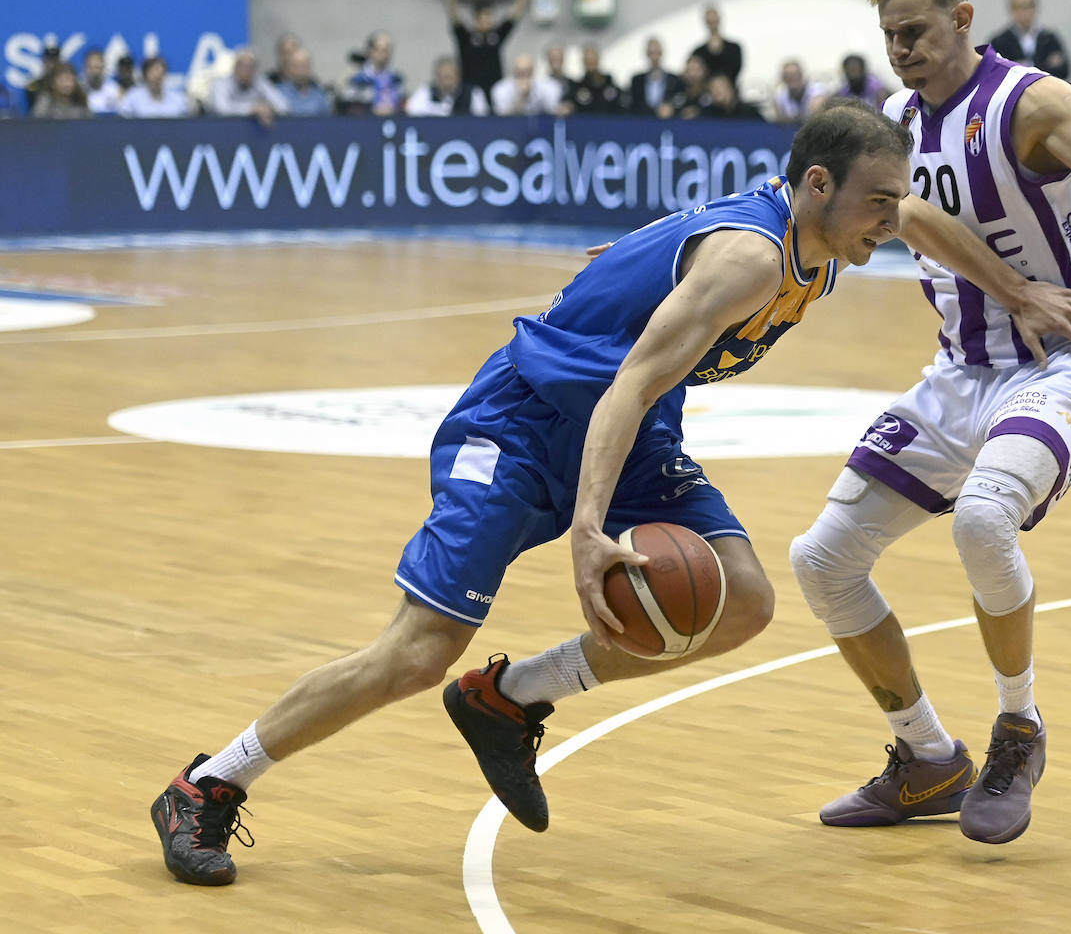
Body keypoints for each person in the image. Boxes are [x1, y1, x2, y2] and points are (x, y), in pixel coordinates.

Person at [149, 101, 919, 885]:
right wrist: (588, 529)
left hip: (634, 434)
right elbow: (630, 382)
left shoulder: (815, 252)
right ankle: (207, 783)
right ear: (817, 183)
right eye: (880, 202)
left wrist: (627, 258)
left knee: (743, 601)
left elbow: (675, 253)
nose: (893, 221)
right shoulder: (752, 259)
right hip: (523, 423)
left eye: (902, 200)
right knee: (416, 654)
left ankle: (508, 698)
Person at [789, 0, 1071, 844]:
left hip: (1066, 358)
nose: (899, 49)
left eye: (912, 31)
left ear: (962, 20)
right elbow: (910, 216)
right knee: (821, 560)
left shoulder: (1030, 105)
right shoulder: (898, 121)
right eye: (887, 37)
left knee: (982, 522)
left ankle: (1019, 728)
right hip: (960, 371)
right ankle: (926, 759)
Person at [440, 0, 534, 106]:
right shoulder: (466, 37)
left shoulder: (496, 36)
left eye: (488, 18)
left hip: (494, 91)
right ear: (476, 20)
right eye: (482, 19)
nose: (486, 22)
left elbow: (515, 15)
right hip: (469, 92)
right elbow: (452, 14)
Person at [988, 0, 1071, 81]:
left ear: (1035, 8)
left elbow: (1064, 70)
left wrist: (1021, 66)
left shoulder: (1049, 38)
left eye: (1029, 6)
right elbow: (995, 73)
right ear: (1011, 10)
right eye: (1019, 7)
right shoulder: (999, 41)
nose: (1025, 12)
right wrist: (1044, 66)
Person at [209, 49, 288, 123]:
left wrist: (267, 109)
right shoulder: (221, 83)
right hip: (225, 129)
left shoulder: (261, 83)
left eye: (250, 67)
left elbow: (283, 106)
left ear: (255, 69)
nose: (245, 71)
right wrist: (251, 108)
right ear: (234, 67)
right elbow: (221, 109)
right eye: (242, 66)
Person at [342, 32, 405, 117]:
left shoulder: (396, 79)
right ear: (370, 51)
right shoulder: (359, 79)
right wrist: (372, 109)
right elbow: (349, 106)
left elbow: (403, 105)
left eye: (387, 50)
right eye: (379, 49)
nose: (383, 54)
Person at [404, 55, 489, 117]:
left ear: (459, 76)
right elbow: (412, 110)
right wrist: (438, 110)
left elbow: (482, 116)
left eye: (451, 77)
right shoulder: (426, 91)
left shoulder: (473, 92)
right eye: (444, 77)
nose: (448, 82)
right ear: (437, 77)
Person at [690, 4, 743, 88]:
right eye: (709, 20)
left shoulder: (734, 48)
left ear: (719, 19)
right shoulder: (698, 52)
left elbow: (735, 70)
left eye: (714, 19)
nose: (712, 22)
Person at [490, 53, 561, 116]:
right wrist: (521, 98)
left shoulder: (548, 86)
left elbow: (553, 111)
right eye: (520, 72)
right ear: (514, 71)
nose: (524, 76)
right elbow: (500, 116)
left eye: (527, 71)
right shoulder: (501, 88)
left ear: (533, 70)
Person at [628, 37, 683, 117]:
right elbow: (633, 103)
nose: (654, 57)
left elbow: (679, 101)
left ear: (661, 53)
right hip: (642, 121)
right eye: (651, 53)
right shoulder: (637, 80)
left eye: (657, 53)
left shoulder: (674, 80)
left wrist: (671, 108)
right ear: (647, 54)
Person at [120, 56, 191, 119]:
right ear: (145, 74)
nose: (157, 77)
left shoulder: (178, 98)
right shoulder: (132, 96)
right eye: (153, 73)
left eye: (161, 73)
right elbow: (124, 118)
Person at [566, 45, 626, 115]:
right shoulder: (577, 87)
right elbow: (569, 104)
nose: (590, 63)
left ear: (598, 60)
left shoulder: (610, 84)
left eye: (592, 60)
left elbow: (621, 104)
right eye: (587, 61)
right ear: (583, 62)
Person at [274, 47, 332, 117]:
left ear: (310, 67)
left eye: (303, 66)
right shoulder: (278, 92)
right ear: (289, 68)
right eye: (296, 66)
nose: (300, 71)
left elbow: (327, 121)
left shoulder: (320, 94)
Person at [80, 49, 122, 115]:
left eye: (98, 68)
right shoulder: (79, 89)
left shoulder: (115, 89)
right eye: (91, 68)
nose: (95, 72)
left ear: (103, 67)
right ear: (85, 67)